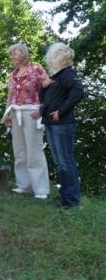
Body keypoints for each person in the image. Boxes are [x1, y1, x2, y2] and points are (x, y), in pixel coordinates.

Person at [1, 43, 51, 199]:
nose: (12, 57)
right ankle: (24, 186)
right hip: (15, 113)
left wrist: (42, 108)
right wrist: (6, 115)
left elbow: (49, 89)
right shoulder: (13, 74)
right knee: (20, 151)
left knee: (34, 151)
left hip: (32, 113)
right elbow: (10, 96)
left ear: (23, 54)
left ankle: (41, 190)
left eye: (14, 54)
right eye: (11, 54)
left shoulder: (37, 70)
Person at [39, 42, 84, 209]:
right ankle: (64, 197)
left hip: (62, 124)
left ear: (60, 58)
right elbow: (45, 99)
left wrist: (62, 111)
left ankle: (72, 201)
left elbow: (78, 91)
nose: (49, 60)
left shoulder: (68, 75)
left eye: (52, 57)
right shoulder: (57, 76)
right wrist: (44, 87)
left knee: (66, 162)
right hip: (51, 123)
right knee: (59, 162)